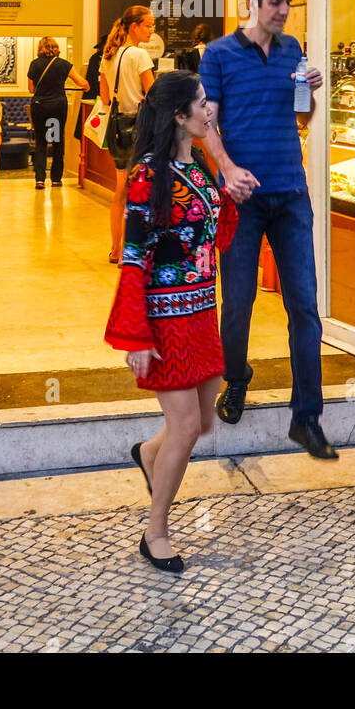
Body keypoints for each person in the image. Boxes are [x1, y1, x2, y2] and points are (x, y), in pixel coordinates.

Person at [198, 0, 337, 460]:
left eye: (288, 4)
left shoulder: (293, 51)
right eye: (276, 2)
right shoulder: (217, 55)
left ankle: (307, 419)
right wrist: (228, 169)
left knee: (304, 307)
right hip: (241, 200)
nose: (283, 12)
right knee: (237, 304)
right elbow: (205, 125)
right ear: (254, 3)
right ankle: (236, 379)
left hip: (290, 194)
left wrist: (312, 93)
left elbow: (302, 118)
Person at [104, 71, 237, 573]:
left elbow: (216, 238)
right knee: (184, 428)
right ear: (179, 116)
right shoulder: (146, 175)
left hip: (203, 312)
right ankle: (155, 532)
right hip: (164, 319)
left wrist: (227, 187)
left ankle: (146, 454)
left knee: (202, 423)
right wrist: (135, 333)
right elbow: (134, 256)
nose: (211, 110)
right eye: (202, 105)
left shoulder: (199, 165)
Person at [99, 6, 156, 262]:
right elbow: (153, 94)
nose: (152, 31)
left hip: (116, 128)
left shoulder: (108, 55)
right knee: (138, 191)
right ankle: (132, 252)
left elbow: (103, 97)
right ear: (134, 26)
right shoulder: (140, 56)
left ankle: (116, 249)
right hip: (138, 128)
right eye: (148, 25)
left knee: (120, 190)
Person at [27, 36, 88, 190]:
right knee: (56, 141)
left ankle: (39, 179)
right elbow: (82, 83)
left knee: (40, 141)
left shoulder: (34, 64)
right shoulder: (63, 64)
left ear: (40, 49)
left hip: (39, 106)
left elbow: (31, 89)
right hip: (56, 107)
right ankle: (55, 179)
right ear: (56, 48)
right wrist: (86, 86)